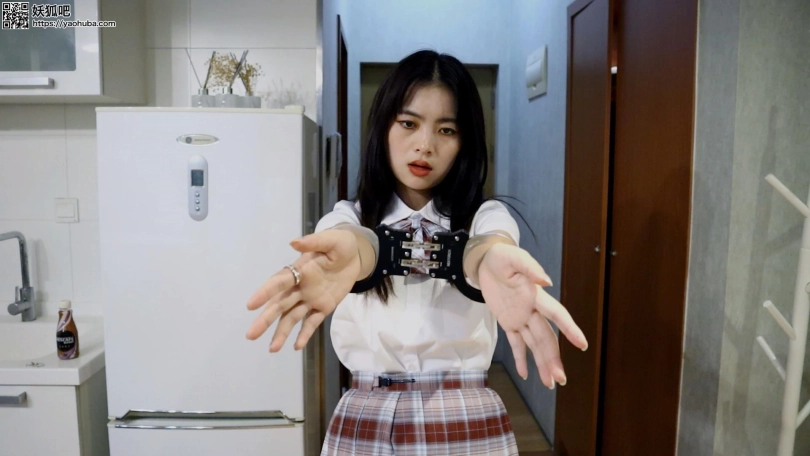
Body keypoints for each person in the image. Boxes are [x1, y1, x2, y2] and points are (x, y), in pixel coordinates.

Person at [245, 49, 588, 456]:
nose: (424, 146)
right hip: (367, 413)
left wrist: (488, 258)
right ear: (383, 127)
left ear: (464, 141)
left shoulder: (485, 216)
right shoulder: (348, 216)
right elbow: (354, 242)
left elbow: (488, 246)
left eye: (446, 130)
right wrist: (357, 251)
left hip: (464, 413)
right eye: (408, 123)